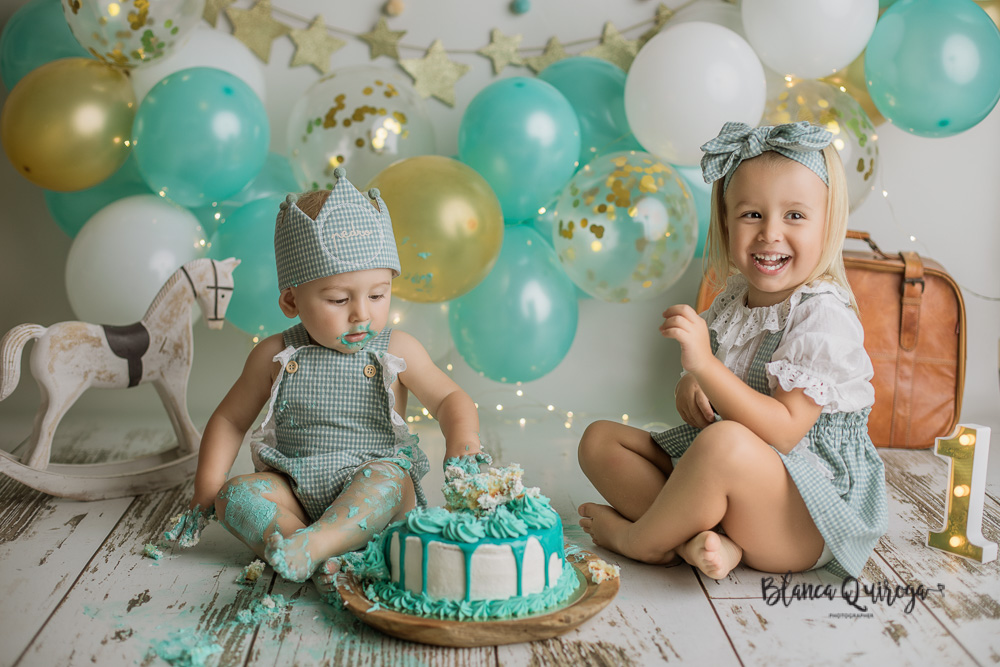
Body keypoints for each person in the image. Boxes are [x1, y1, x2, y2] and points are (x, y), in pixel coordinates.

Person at [577, 121, 888, 581]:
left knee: (724, 442)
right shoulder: (733, 298)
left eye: (795, 216)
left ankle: (639, 541)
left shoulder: (823, 315)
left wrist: (703, 364)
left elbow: (783, 433)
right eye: (751, 215)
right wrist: (691, 384)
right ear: (726, 221)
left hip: (803, 518)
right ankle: (696, 540)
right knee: (600, 440)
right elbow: (716, 392)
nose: (770, 234)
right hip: (731, 486)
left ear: (829, 224)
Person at [167, 167, 483, 594]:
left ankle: (316, 545)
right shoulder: (276, 355)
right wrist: (206, 488)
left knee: (389, 479)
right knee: (234, 496)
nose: (361, 314)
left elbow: (449, 399)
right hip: (295, 491)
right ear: (291, 300)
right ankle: (305, 548)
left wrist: (462, 447)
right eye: (338, 299)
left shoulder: (397, 349)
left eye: (377, 294)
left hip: (371, 490)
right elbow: (229, 420)